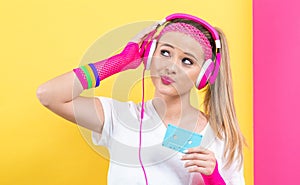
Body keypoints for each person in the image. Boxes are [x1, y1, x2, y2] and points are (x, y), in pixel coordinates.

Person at [36, 13, 246, 185]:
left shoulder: (220, 137)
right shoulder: (118, 117)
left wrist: (213, 178)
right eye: (165, 52)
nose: (171, 67)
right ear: (150, 54)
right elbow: (48, 95)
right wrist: (120, 61)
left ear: (204, 75)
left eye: (187, 61)